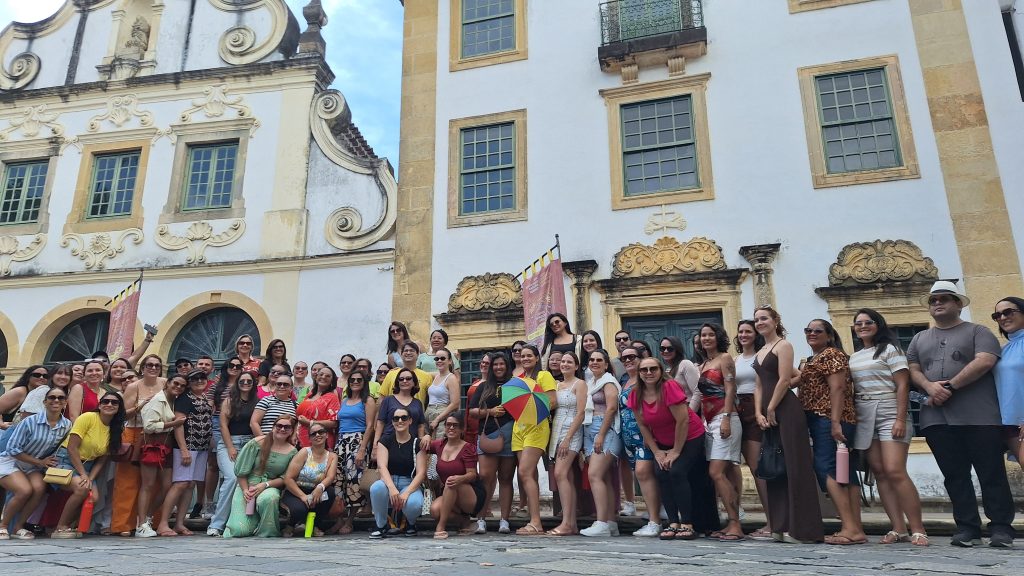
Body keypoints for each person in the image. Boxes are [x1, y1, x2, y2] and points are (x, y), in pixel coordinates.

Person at [907, 281, 1014, 548]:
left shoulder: (979, 331)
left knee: (991, 473)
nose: (937, 303)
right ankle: (967, 528)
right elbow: (913, 369)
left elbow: (985, 360)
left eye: (944, 298)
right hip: (936, 419)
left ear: (958, 304)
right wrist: (929, 386)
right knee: (954, 475)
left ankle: (1001, 527)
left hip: (979, 416)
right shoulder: (919, 338)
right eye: (933, 300)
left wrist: (951, 386)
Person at [850, 308, 928, 546]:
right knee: (879, 472)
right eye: (858, 323)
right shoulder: (854, 357)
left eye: (868, 322)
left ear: (878, 325)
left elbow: (902, 385)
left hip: (889, 409)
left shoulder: (891, 350)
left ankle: (918, 528)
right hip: (864, 412)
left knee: (895, 470)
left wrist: (900, 418)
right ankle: (898, 528)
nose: (863, 326)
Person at [752, 306, 823, 544]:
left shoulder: (783, 346)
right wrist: (758, 412)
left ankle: (801, 529)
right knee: (775, 467)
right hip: (767, 412)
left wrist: (771, 407)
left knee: (794, 466)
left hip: (786, 410)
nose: (760, 322)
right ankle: (779, 525)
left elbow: (784, 379)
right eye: (757, 320)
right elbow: (759, 385)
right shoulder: (761, 350)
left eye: (764, 318)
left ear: (775, 321)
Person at [799, 319, 864, 545]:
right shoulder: (813, 359)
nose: (812, 333)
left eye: (818, 331)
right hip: (823, 419)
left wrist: (835, 422)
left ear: (829, 335)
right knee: (846, 470)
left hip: (828, 418)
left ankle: (849, 527)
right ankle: (855, 527)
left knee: (825, 467)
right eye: (808, 330)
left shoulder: (831, 354)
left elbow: (837, 388)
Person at [628, 358, 707, 540]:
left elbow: (683, 420)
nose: (649, 373)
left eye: (653, 369)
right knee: (661, 473)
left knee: (677, 471)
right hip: (662, 440)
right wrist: (656, 451)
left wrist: (676, 451)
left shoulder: (668, 387)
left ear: (660, 370)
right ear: (639, 373)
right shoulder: (636, 393)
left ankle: (687, 523)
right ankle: (673, 522)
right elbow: (642, 425)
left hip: (689, 436)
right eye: (644, 370)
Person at [0, 385, 71, 540]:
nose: (56, 400)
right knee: (24, 491)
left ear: (65, 402)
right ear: (45, 402)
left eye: (60, 398)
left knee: (39, 489)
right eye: (52, 397)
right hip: (11, 461)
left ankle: (18, 527)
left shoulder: (66, 425)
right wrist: (39, 462)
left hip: (33, 465)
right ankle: (3, 526)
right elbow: (12, 449)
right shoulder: (30, 422)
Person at [51, 391, 124, 538]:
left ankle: (70, 525)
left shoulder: (115, 428)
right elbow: (72, 448)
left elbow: (102, 459)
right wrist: (83, 474)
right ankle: (60, 527)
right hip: (66, 460)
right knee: (82, 489)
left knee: (94, 498)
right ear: (99, 405)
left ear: (119, 408)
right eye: (105, 401)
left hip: (88, 465)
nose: (109, 404)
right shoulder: (88, 417)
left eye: (114, 402)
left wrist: (90, 477)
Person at [110, 354, 167, 537]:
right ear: (142, 368)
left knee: (154, 482)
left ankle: (151, 521)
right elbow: (123, 415)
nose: (153, 368)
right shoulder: (134, 386)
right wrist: (141, 406)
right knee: (128, 481)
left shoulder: (165, 383)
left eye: (157, 365)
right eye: (149, 365)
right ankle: (123, 524)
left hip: (158, 434)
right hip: (135, 432)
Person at [697, 323, 743, 542]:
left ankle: (735, 524)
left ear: (718, 337)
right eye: (703, 335)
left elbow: (731, 388)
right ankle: (731, 521)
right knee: (720, 473)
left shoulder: (725, 358)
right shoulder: (704, 364)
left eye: (710, 335)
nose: (706, 338)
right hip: (708, 421)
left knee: (716, 472)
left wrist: (726, 417)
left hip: (725, 418)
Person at [154, 370, 213, 537]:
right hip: (187, 446)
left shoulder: (204, 398)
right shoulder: (184, 399)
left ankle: (180, 523)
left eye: (202, 378)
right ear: (189, 383)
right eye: (194, 379)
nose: (199, 381)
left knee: (190, 484)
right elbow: (178, 424)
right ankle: (163, 523)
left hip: (201, 448)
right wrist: (184, 449)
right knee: (180, 483)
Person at [223, 416, 298, 538]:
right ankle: (252, 525)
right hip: (247, 484)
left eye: (287, 427)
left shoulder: (292, 452)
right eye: (279, 426)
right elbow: (240, 471)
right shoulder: (256, 443)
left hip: (269, 486)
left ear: (291, 431)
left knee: (270, 498)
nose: (282, 429)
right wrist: (245, 490)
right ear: (273, 427)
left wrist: (265, 485)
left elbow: (286, 478)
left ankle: (266, 530)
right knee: (238, 530)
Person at [511, 345, 557, 535]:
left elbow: (553, 401)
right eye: (523, 356)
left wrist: (533, 404)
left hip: (537, 426)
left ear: (537, 358)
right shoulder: (519, 380)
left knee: (525, 471)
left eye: (529, 355)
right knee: (528, 474)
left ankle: (536, 522)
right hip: (518, 428)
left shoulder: (543, 376)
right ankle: (532, 516)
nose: (525, 358)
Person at [468, 352, 515, 535]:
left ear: (507, 366)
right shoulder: (483, 386)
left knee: (506, 478)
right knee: (485, 477)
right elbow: (472, 411)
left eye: (502, 364)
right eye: (495, 364)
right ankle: (481, 519)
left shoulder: (514, 385)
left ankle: (505, 520)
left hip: (510, 436)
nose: (498, 367)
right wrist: (490, 411)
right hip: (487, 434)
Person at [733, 319, 771, 539]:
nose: (744, 335)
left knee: (758, 468)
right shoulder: (736, 359)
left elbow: (793, 376)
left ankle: (772, 521)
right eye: (741, 331)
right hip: (738, 409)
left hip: (755, 408)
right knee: (737, 465)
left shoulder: (762, 355)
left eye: (748, 331)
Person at [134, 376, 186, 537]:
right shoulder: (157, 400)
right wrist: (174, 424)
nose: (178, 387)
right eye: (175, 383)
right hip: (152, 444)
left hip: (166, 446)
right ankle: (141, 524)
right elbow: (149, 426)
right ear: (167, 383)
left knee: (166, 486)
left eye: (182, 385)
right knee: (148, 485)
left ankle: (148, 517)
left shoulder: (174, 401)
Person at [208, 369, 258, 536]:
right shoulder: (229, 401)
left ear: (253, 384)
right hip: (230, 443)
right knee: (231, 478)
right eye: (242, 381)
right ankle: (216, 524)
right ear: (237, 384)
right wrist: (230, 447)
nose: (245, 384)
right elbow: (223, 425)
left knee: (249, 482)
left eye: (249, 381)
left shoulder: (257, 402)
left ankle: (242, 522)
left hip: (249, 444)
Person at [580, 349, 623, 537]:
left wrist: (601, 435)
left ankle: (601, 522)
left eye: (599, 360)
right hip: (590, 429)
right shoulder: (591, 383)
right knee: (603, 477)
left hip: (605, 429)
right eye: (592, 360)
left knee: (594, 475)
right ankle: (611, 522)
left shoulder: (608, 381)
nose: (594, 362)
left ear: (606, 364)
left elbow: (611, 408)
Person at [369, 407, 429, 538]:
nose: (400, 421)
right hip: (388, 481)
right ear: (392, 422)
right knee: (376, 488)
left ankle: (410, 523)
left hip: (409, 483)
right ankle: (381, 525)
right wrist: (391, 488)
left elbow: (421, 473)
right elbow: (382, 467)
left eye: (404, 418)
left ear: (410, 421)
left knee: (414, 504)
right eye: (396, 418)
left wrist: (407, 493)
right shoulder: (385, 441)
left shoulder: (417, 443)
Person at [331, 368, 377, 535]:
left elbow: (370, 426)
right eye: (352, 380)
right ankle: (339, 519)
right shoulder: (344, 400)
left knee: (354, 481)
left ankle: (350, 521)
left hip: (357, 440)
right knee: (338, 480)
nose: (355, 382)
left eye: (359, 380)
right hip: (341, 442)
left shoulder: (368, 401)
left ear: (364, 383)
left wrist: (362, 449)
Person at [548, 352, 588, 536]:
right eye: (563, 361)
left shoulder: (580, 384)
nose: (564, 364)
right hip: (556, 429)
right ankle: (571, 523)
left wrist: (567, 438)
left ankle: (566, 523)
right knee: (568, 476)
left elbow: (581, 413)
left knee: (560, 473)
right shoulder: (556, 385)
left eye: (569, 362)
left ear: (576, 366)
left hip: (571, 431)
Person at [428, 412, 483, 538]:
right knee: (434, 510)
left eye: (455, 425)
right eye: (448, 425)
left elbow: (472, 475)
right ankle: (464, 521)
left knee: (451, 481)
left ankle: (441, 527)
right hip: (449, 491)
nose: (451, 428)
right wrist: (426, 436)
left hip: (470, 494)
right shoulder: (438, 445)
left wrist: (460, 478)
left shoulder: (468, 448)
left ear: (462, 429)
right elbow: (420, 446)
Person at [281, 422, 338, 537]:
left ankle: (314, 524)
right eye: (313, 434)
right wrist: (303, 496)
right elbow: (288, 478)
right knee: (300, 510)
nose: (317, 435)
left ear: (327, 435)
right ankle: (291, 524)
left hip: (316, 491)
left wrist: (320, 487)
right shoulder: (304, 452)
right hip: (297, 491)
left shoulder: (332, 456)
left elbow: (330, 477)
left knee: (329, 493)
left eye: (321, 432)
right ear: (310, 438)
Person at [992, 296, 1024, 469]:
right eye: (997, 315)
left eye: (1008, 312)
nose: (1002, 318)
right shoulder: (1001, 350)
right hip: (1010, 424)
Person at [373, 368, 428, 450]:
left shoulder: (418, 403)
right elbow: (380, 423)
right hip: (388, 443)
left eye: (408, 378)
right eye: (401, 379)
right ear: (397, 382)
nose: (404, 381)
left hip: (411, 445)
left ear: (414, 382)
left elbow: (420, 425)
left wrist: (420, 444)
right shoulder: (388, 400)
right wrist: (375, 444)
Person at [296, 366, 340, 448]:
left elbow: (334, 423)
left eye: (328, 376)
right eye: (321, 374)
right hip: (301, 440)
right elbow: (300, 418)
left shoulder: (332, 397)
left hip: (319, 442)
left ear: (332, 381)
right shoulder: (310, 395)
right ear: (316, 378)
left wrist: (310, 423)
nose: (323, 377)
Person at [376, 341, 432, 406]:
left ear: (417, 355)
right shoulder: (391, 374)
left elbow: (431, 399)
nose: (408, 353)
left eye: (412, 350)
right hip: (393, 412)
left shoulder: (426, 376)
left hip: (417, 411)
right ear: (401, 355)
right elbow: (381, 398)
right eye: (406, 351)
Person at [425, 348, 460, 438]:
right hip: (429, 413)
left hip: (442, 414)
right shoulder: (436, 376)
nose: (439, 361)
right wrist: (397, 369)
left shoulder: (451, 378)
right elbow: (419, 373)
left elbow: (455, 403)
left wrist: (437, 419)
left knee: (439, 443)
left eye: (442, 358)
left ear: (450, 361)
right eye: (436, 359)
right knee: (429, 444)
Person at [659, 337, 701, 412]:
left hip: (688, 411)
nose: (665, 351)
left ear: (677, 350)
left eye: (670, 349)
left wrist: (690, 414)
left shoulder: (685, 364)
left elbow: (697, 391)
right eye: (662, 348)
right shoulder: (668, 370)